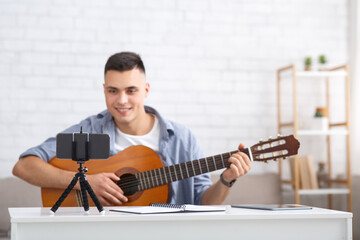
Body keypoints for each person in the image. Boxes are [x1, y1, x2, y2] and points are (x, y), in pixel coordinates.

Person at [12, 52, 251, 206]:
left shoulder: (182, 139)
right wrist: (83, 180)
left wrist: (226, 180)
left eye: (131, 90)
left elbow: (203, 203)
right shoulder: (92, 130)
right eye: (113, 91)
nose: (122, 100)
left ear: (146, 90)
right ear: (104, 90)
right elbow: (24, 166)